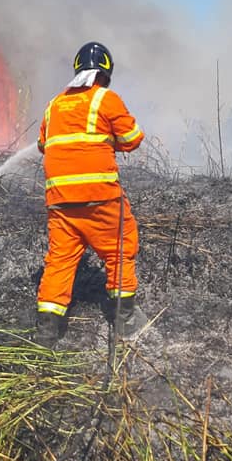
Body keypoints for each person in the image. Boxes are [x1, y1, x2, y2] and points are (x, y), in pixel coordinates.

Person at [34, 41, 145, 348]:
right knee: (120, 249)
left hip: (60, 201)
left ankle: (46, 333)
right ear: (105, 73)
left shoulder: (54, 105)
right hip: (100, 199)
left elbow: (43, 145)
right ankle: (125, 321)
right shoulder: (105, 99)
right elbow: (133, 138)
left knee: (59, 261)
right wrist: (108, 140)